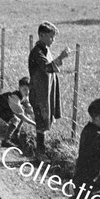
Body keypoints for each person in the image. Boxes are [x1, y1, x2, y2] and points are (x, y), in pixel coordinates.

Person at [28, 21, 70, 161]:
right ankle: (39, 153)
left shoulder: (45, 49)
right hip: (39, 93)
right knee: (41, 122)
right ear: (41, 35)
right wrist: (61, 58)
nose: (53, 40)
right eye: (51, 37)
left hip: (46, 91)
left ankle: (41, 150)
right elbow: (47, 67)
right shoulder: (37, 52)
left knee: (45, 120)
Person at [0, 77, 36, 148]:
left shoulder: (24, 97)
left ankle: (15, 135)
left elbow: (30, 110)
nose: (27, 92)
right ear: (19, 88)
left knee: (23, 113)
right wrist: (34, 124)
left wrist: (37, 117)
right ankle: (6, 141)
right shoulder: (15, 98)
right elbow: (21, 116)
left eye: (28, 90)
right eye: (24, 89)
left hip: (6, 108)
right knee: (16, 119)